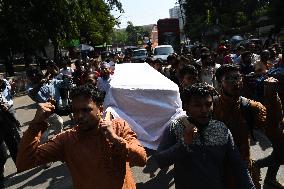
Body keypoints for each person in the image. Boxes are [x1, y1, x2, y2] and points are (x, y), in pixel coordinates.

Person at [16, 84, 147, 189]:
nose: (79, 116)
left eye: (86, 110)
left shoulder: (118, 127)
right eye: (75, 111)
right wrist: (35, 125)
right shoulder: (66, 140)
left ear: (100, 109)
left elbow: (141, 159)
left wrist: (115, 139)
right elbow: (24, 163)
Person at [153, 83, 255, 189]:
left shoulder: (221, 129)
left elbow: (237, 164)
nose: (204, 110)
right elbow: (161, 160)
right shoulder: (174, 127)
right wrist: (184, 144)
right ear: (186, 107)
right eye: (197, 105)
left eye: (208, 104)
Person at [214, 64, 270, 189]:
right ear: (220, 83)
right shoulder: (210, 106)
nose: (236, 82)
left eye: (238, 77)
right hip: (218, 167)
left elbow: (269, 125)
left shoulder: (251, 107)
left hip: (243, 163)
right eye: (229, 78)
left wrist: (271, 96)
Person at [0, 77, 21, 188]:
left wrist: (14, 120)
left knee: (12, 144)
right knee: (3, 153)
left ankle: (19, 164)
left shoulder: (1, 91)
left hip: (5, 121)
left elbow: (5, 106)